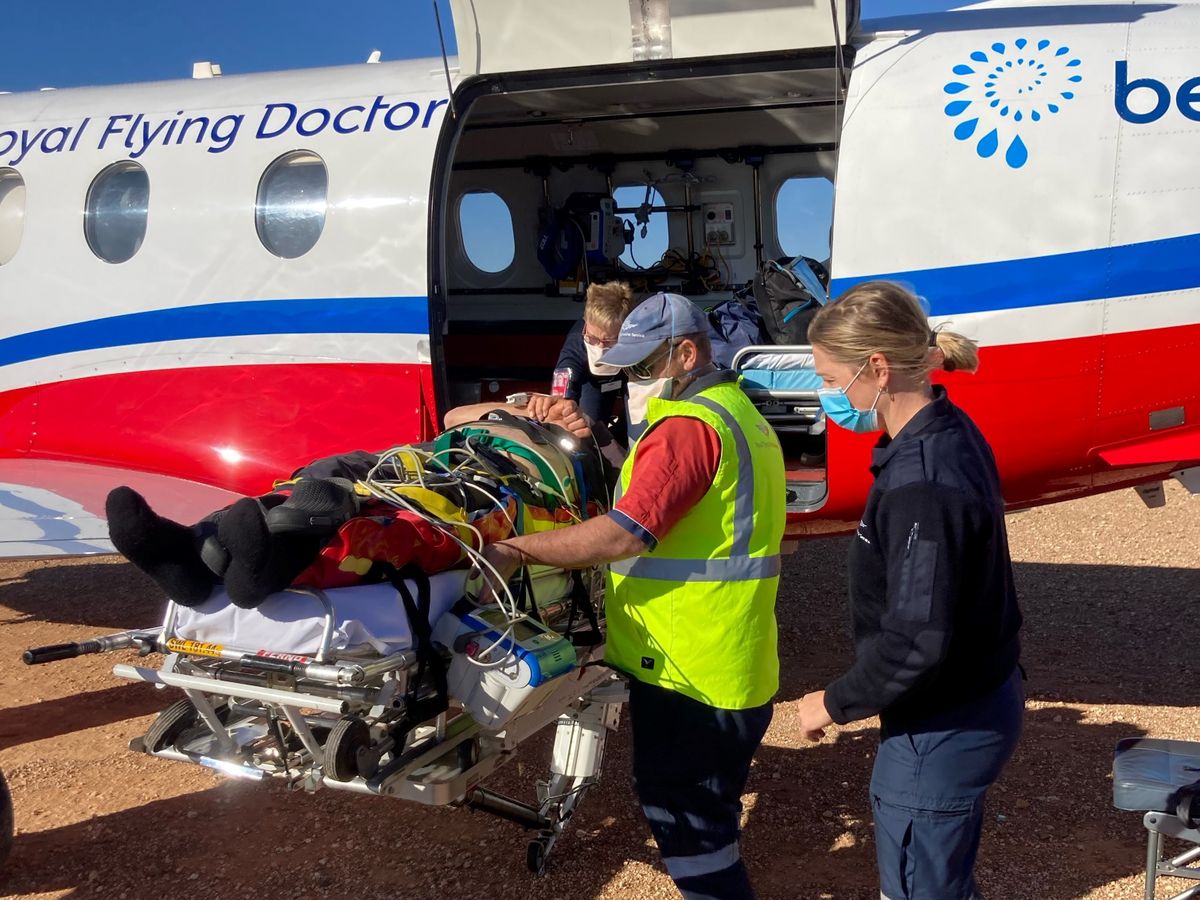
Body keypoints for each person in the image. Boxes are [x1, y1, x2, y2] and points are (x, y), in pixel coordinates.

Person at [480, 292, 786, 900]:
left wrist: (516, 550)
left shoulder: (688, 429)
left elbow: (625, 533)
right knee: (710, 815)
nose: (635, 380)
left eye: (645, 366)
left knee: (688, 825)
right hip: (731, 662)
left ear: (687, 354)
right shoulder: (740, 414)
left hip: (687, 672)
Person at [794, 281, 1024, 900]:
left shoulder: (922, 482)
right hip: (972, 700)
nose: (827, 394)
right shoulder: (945, 429)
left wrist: (833, 702)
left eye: (830, 378)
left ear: (877, 368)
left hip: (942, 724)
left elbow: (915, 638)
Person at [547, 281, 635, 440]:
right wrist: (564, 408)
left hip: (630, 374)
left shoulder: (638, 337)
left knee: (637, 426)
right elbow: (560, 393)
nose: (600, 347)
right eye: (593, 338)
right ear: (585, 322)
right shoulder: (575, 344)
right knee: (589, 430)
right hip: (593, 382)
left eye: (609, 341)